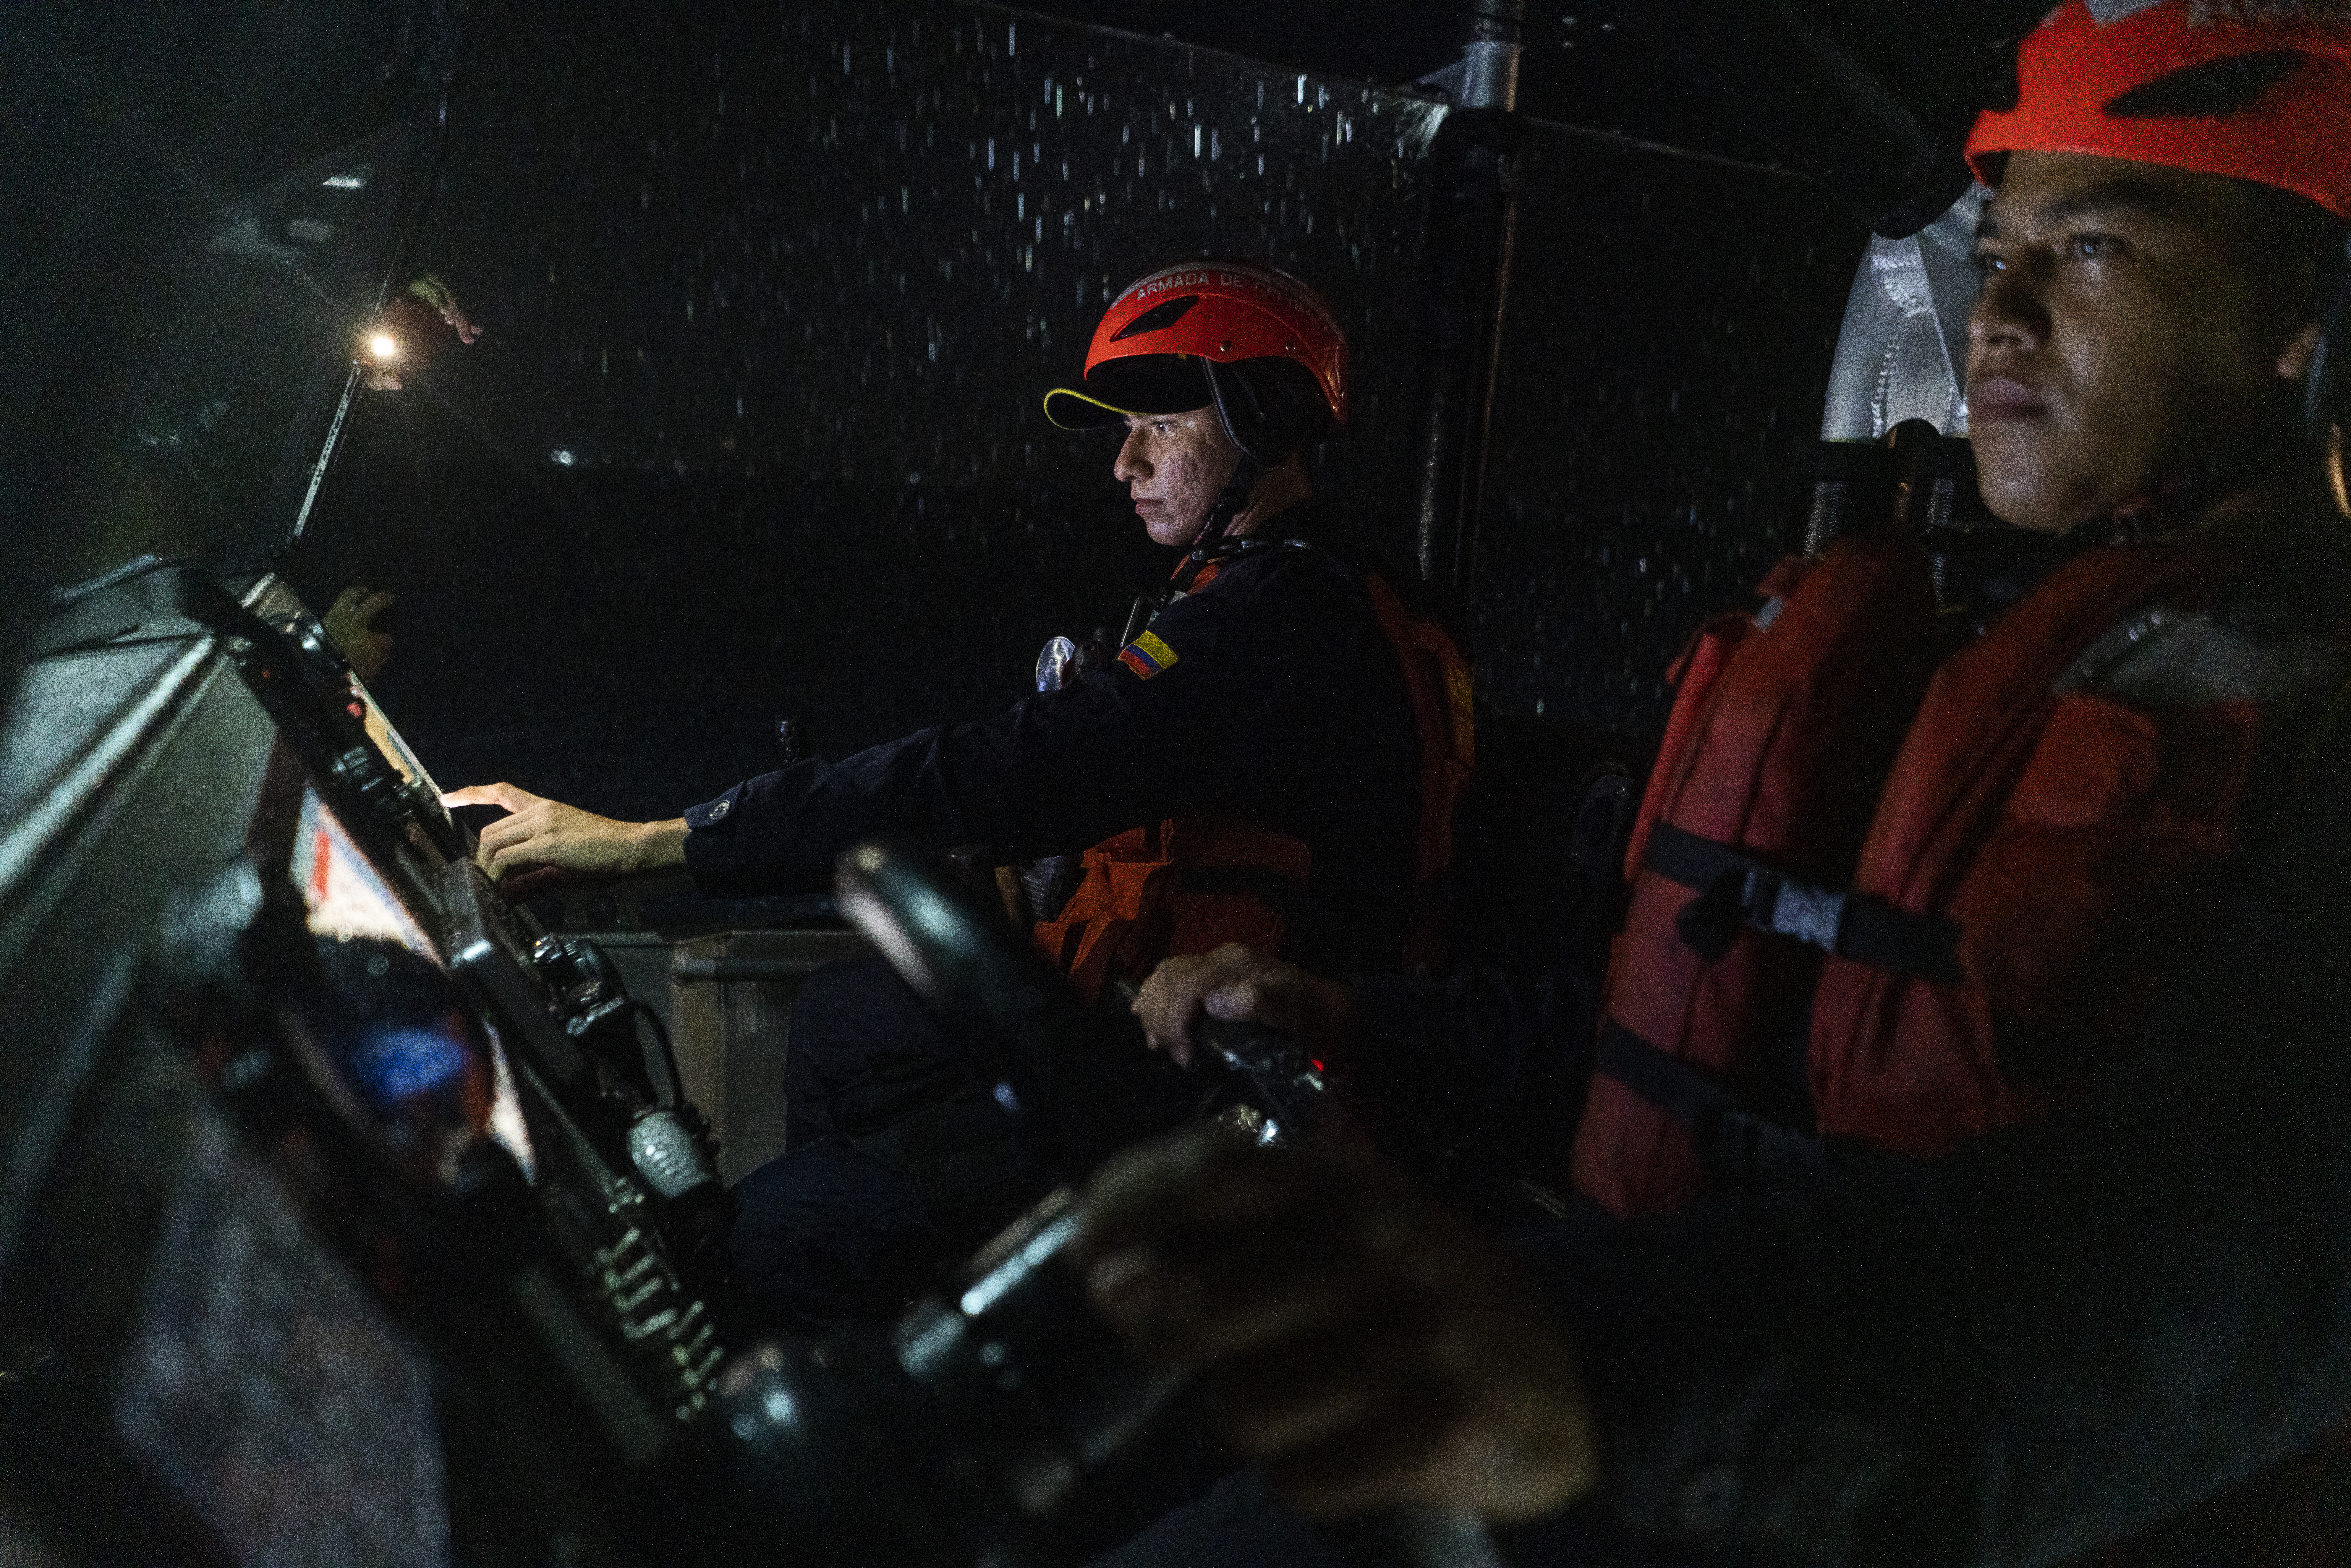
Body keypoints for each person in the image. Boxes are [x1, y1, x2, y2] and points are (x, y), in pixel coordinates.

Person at [1084, 6, 2351, 1563]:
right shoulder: (1988, 656)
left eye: (2091, 250)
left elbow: (2255, 1242)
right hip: (1699, 1404)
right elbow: (1727, 1029)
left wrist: (1616, 1372)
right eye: (2002, 251)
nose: (1999, 314)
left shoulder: (2313, 719)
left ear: (2304, 307)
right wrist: (1356, 1018)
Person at [445, 260, 1471, 1323]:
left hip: (1215, 1095)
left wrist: (664, 841)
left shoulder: (1280, 618)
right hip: (1155, 1024)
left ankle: (869, 1325)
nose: (1124, 463)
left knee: (767, 1238)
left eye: (1160, 425)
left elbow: (1016, 767)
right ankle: (893, 1306)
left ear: (1264, 420)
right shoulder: (1308, 598)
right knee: (843, 1024)